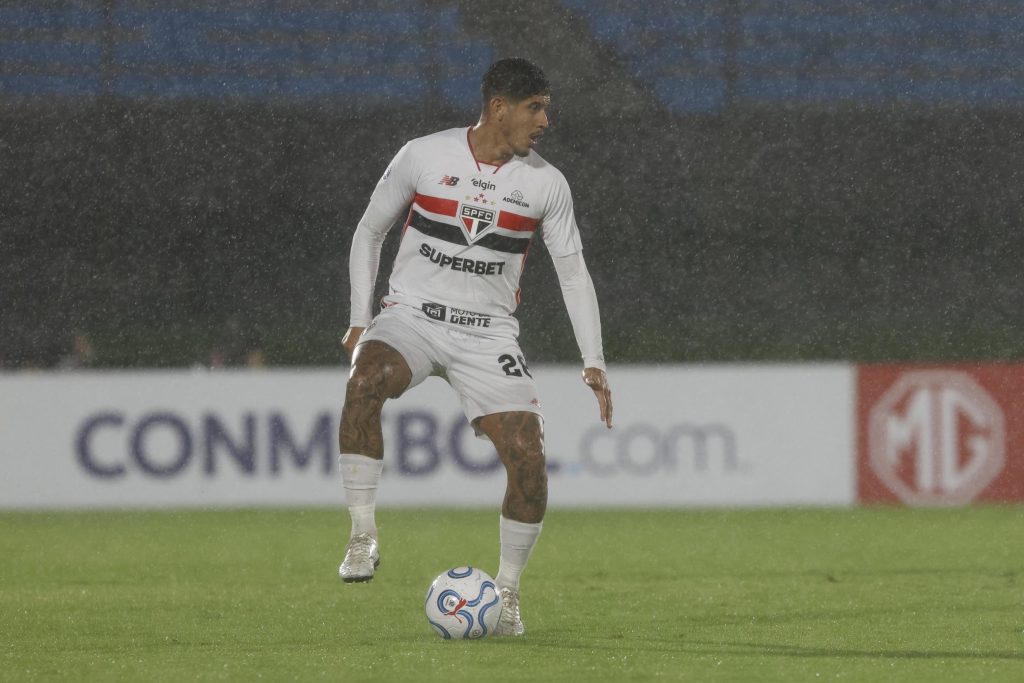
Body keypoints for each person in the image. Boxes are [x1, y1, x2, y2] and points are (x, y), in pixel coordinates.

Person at [337, 57, 613, 637]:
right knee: (363, 380)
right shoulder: (424, 155)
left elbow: (573, 273)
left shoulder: (546, 183)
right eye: (535, 108)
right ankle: (363, 534)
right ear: (498, 108)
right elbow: (369, 231)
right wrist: (361, 320)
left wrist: (593, 358)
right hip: (411, 317)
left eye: (545, 108)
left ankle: (507, 595)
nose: (545, 121)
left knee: (529, 458)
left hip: (488, 333)